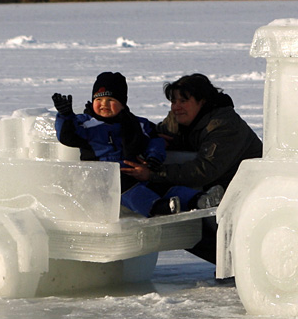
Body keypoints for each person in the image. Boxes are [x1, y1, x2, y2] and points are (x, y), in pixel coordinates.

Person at [121, 73, 262, 262]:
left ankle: (239, 262)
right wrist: (151, 143)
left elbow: (204, 170)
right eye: (174, 101)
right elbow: (156, 133)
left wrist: (153, 173)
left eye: (183, 101)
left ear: (202, 102)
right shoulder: (178, 119)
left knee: (184, 228)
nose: (176, 107)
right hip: (215, 193)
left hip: (247, 198)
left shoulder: (224, 126)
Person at [52, 71, 179, 216]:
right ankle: (156, 208)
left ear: (122, 103)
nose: (104, 104)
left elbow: (155, 139)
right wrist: (66, 116)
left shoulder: (136, 123)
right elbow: (67, 136)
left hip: (133, 171)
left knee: (158, 182)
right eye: (98, 100)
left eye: (111, 100)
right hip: (100, 179)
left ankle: (197, 200)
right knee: (122, 184)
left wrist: (153, 157)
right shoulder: (86, 123)